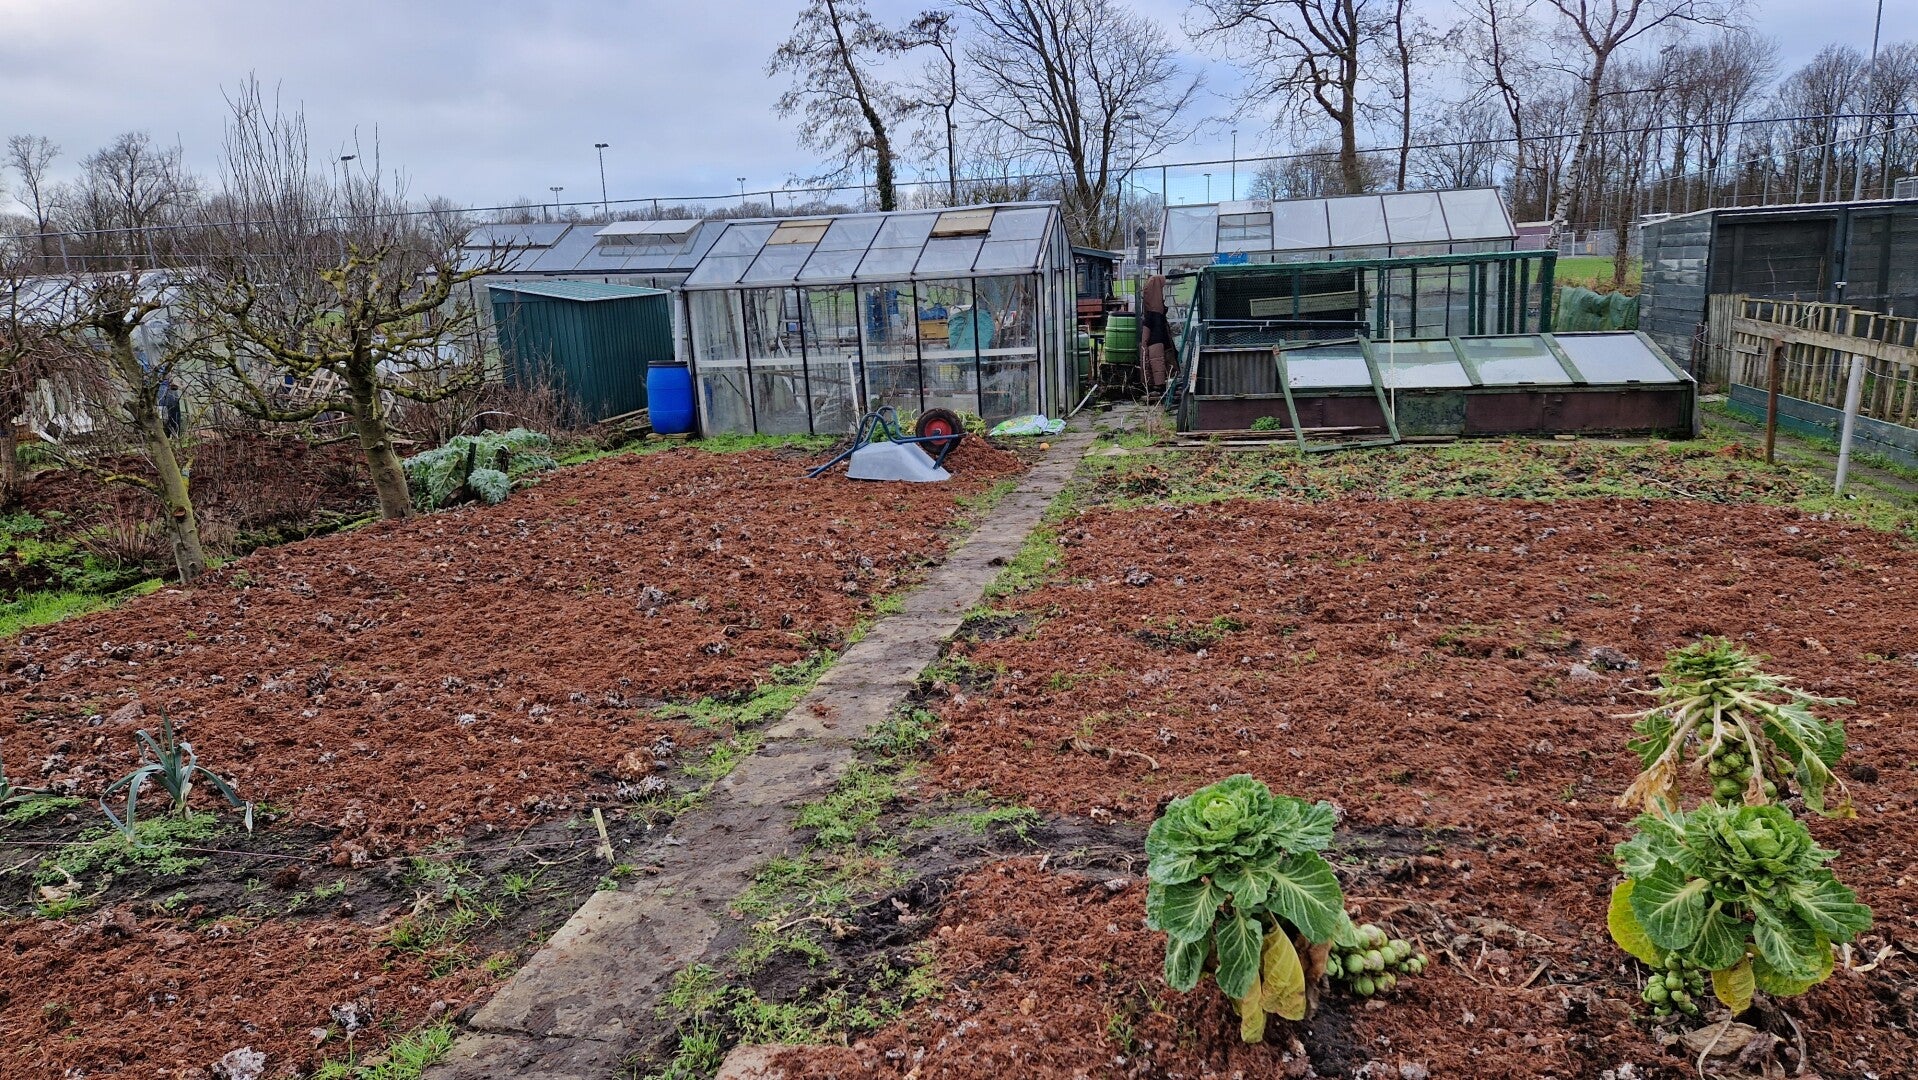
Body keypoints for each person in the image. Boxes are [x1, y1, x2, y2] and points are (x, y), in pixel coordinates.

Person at [1140, 274, 1172, 394]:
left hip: (1155, 345)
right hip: (1157, 345)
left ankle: (1157, 384)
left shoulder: (1150, 310)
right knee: (1157, 356)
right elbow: (1150, 344)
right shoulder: (1156, 314)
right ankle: (1159, 384)